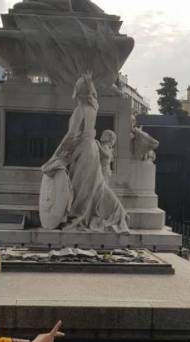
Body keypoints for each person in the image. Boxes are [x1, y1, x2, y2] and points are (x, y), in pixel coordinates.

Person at [41, 74, 129, 233]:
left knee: (81, 188)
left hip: (83, 151)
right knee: (92, 187)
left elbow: (71, 135)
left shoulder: (80, 110)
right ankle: (114, 212)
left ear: (78, 91)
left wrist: (56, 154)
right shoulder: (93, 108)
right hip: (92, 149)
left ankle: (79, 217)